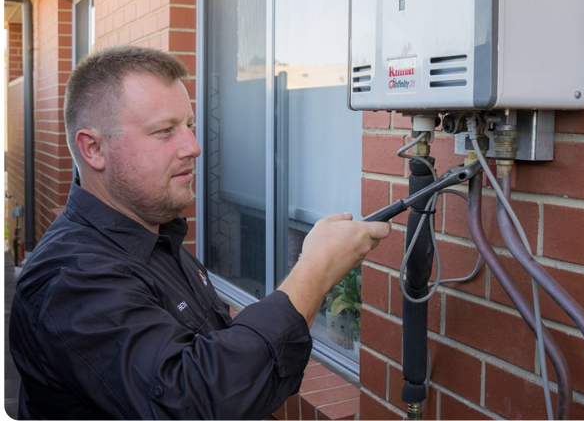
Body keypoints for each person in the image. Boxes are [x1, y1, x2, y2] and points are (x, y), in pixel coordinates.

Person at [9, 45, 391, 421]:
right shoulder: (72, 280)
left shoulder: (158, 240)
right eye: (164, 131)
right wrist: (316, 269)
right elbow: (197, 399)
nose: (192, 147)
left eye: (190, 126)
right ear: (93, 148)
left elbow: (223, 365)